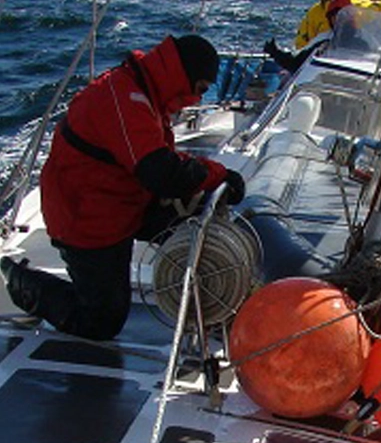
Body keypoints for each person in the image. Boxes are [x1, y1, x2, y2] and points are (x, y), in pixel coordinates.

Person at [0, 33, 245, 341]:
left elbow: (159, 156)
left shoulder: (146, 94)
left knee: (201, 214)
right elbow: (162, 173)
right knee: (101, 321)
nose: (196, 102)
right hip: (87, 220)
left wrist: (214, 182)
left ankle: (211, 304)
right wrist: (218, 174)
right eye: (198, 91)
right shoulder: (123, 97)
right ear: (182, 77)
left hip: (125, 203)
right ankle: (18, 282)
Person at [263, 0, 381, 72]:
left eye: (346, 13)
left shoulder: (361, 13)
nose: (343, 18)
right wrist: (277, 54)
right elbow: (300, 54)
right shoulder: (318, 27)